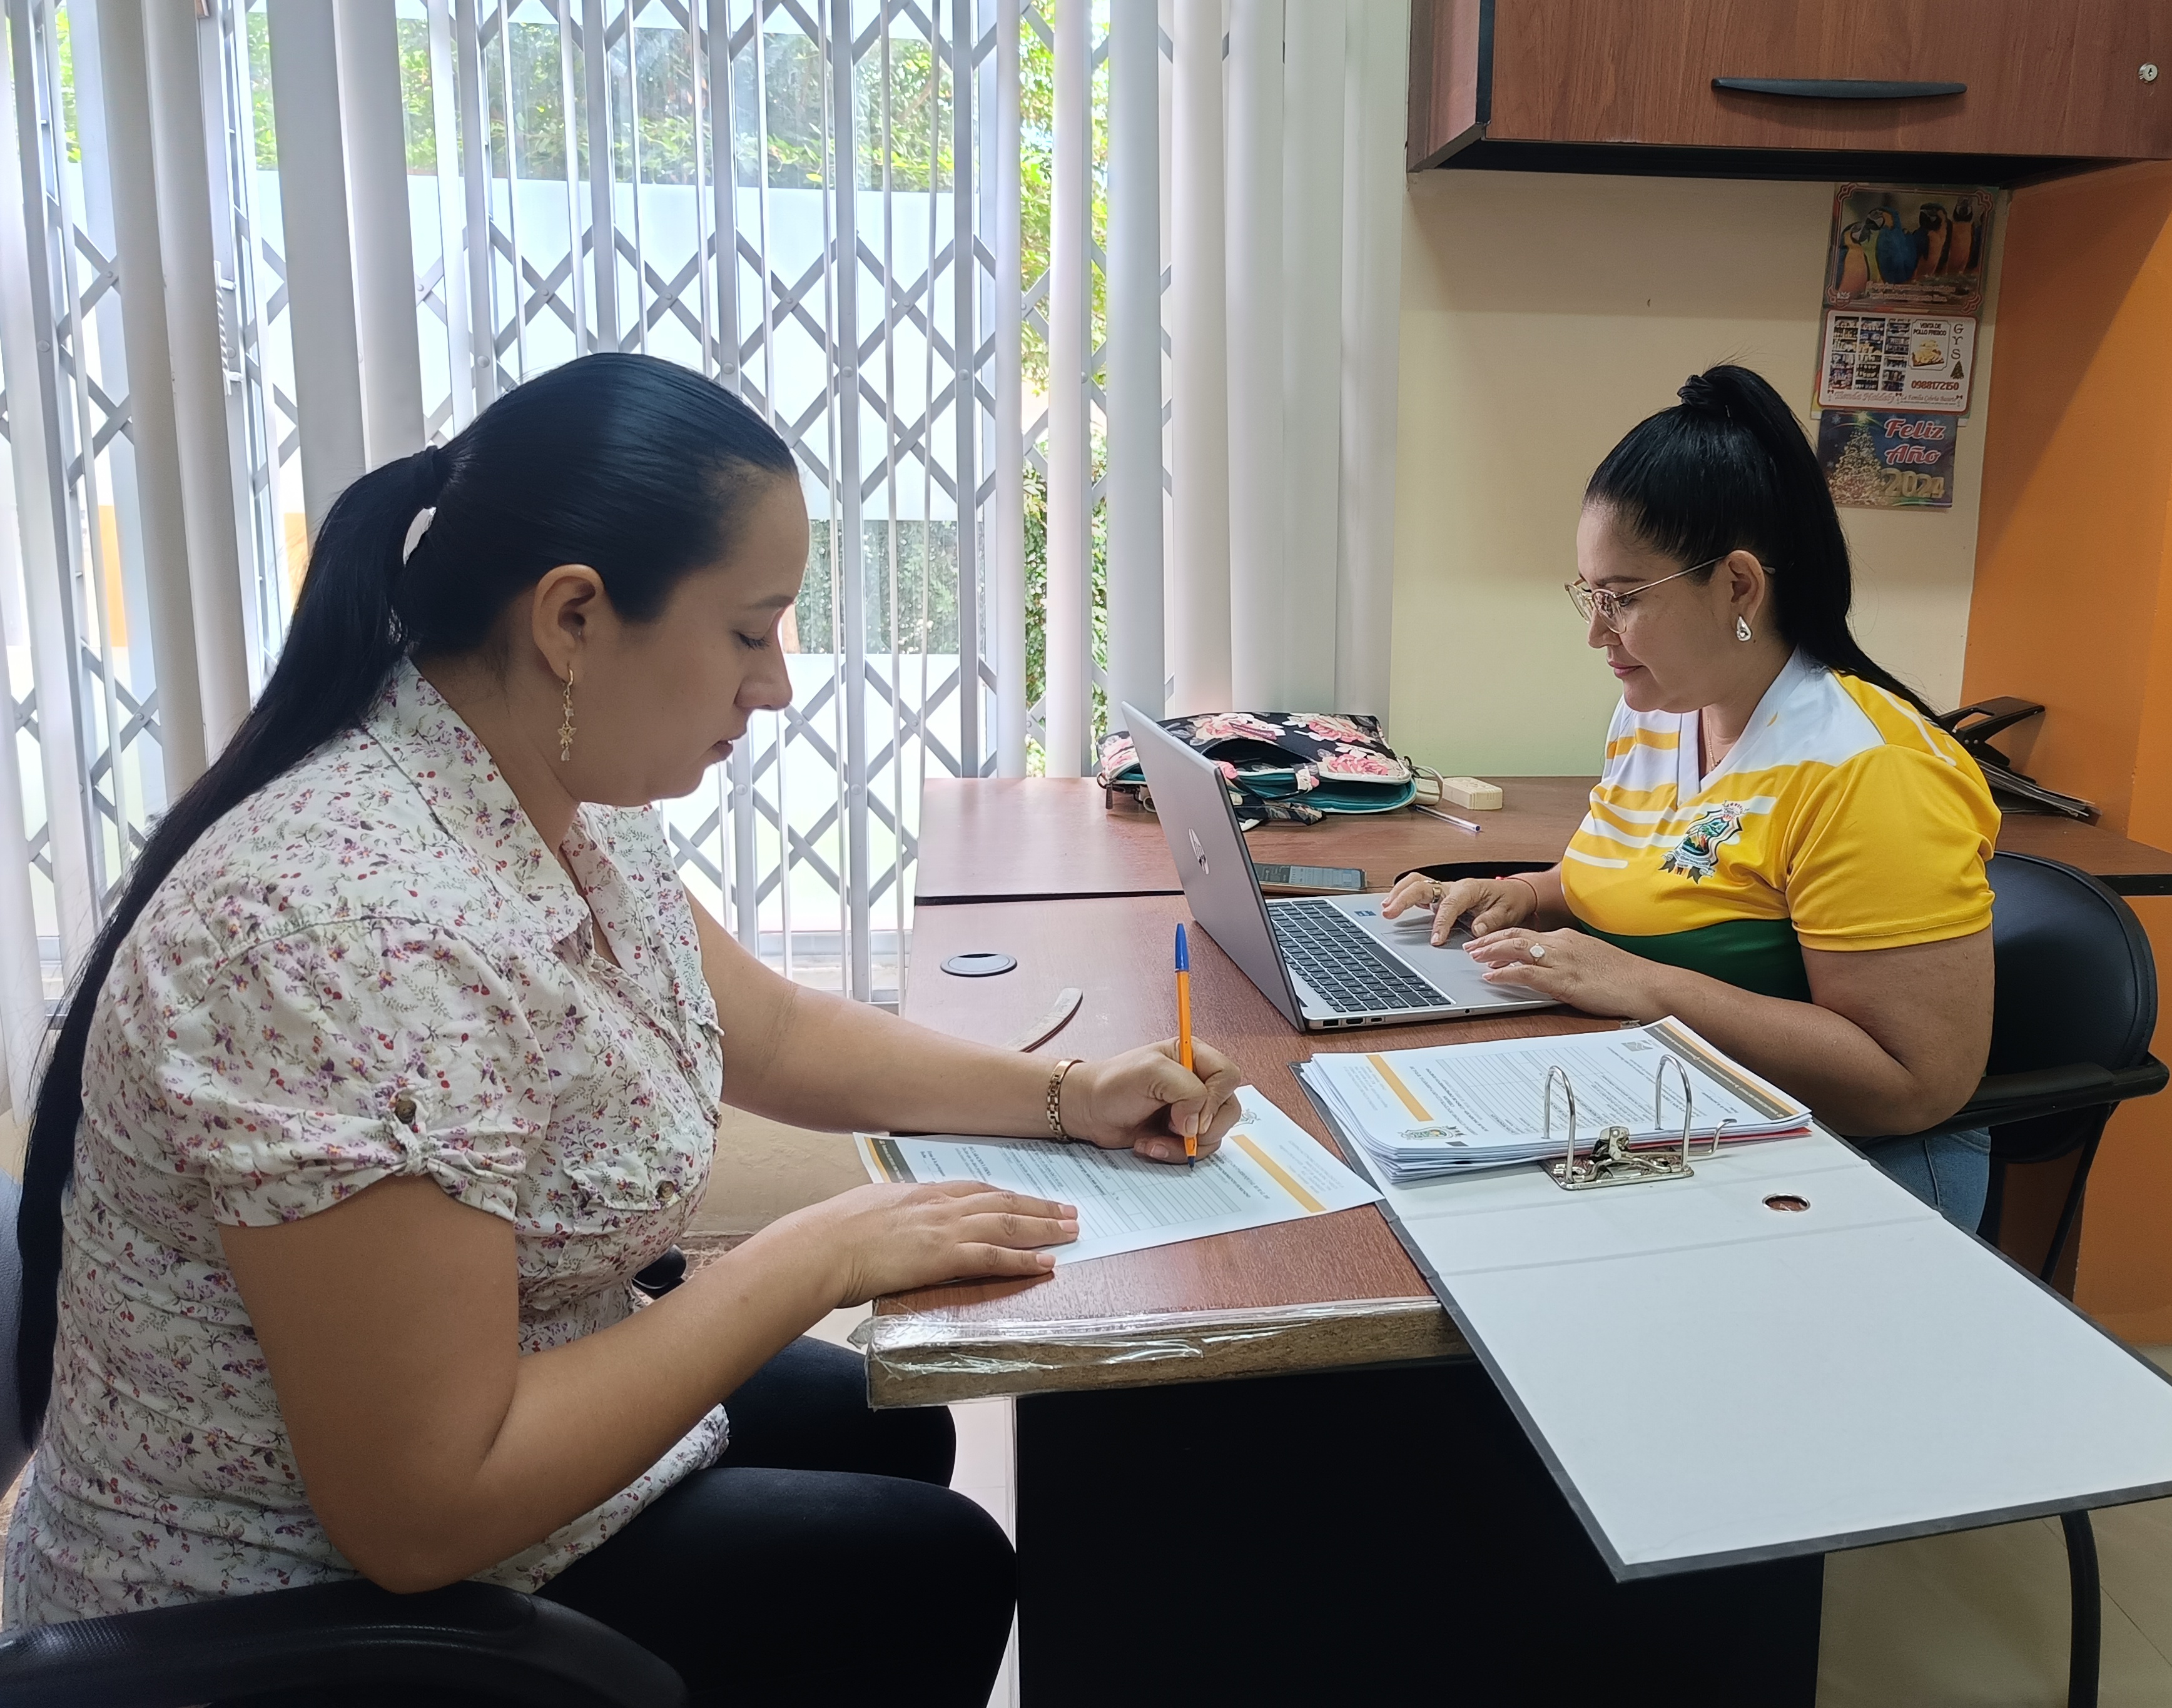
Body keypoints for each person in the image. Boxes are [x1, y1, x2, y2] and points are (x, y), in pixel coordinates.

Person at [4, 353, 1242, 1705]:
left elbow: (774, 1033)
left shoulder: (551, 798)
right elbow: (421, 1513)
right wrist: (815, 1254)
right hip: (284, 1605)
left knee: (883, 1424)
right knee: (924, 1566)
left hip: (488, 1420)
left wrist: (1068, 1093)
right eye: (751, 633)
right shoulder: (349, 933)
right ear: (574, 619)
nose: (776, 687)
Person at [1384, 366, 1997, 1227]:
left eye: (1622, 599)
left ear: (1739, 586)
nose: (1596, 633)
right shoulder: (1660, 710)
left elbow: (1913, 1085)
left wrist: (1643, 986)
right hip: (1677, 1113)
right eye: (1590, 596)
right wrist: (1524, 892)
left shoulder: (1868, 771)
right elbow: (1657, 878)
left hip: (1843, 1170)